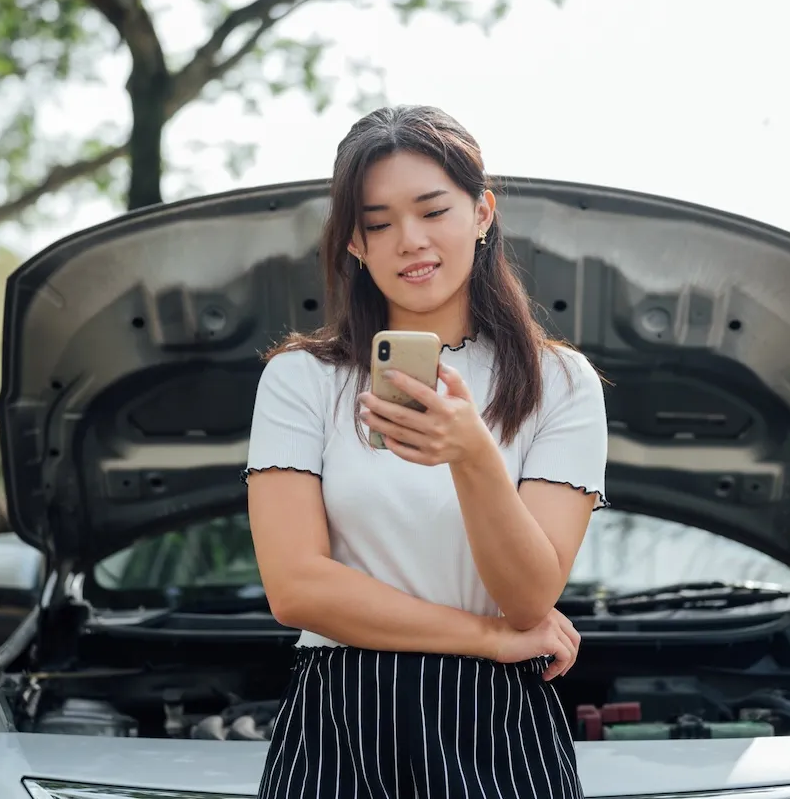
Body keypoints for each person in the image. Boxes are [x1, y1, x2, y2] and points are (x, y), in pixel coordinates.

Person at [244, 105, 608, 799]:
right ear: (354, 242)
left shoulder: (561, 384)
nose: (409, 240)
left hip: (497, 732)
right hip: (339, 726)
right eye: (378, 223)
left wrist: (473, 456)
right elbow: (296, 589)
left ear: (482, 212)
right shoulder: (301, 380)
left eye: (433, 210)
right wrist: (486, 638)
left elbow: (530, 597)